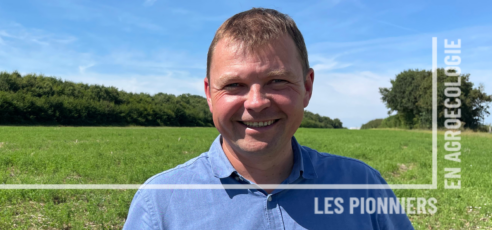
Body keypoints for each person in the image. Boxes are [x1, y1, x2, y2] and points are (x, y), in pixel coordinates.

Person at [123, 8, 414, 229]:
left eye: (277, 81)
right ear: (209, 94)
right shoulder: (159, 204)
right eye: (234, 85)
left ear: (307, 88)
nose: (257, 103)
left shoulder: (361, 185)